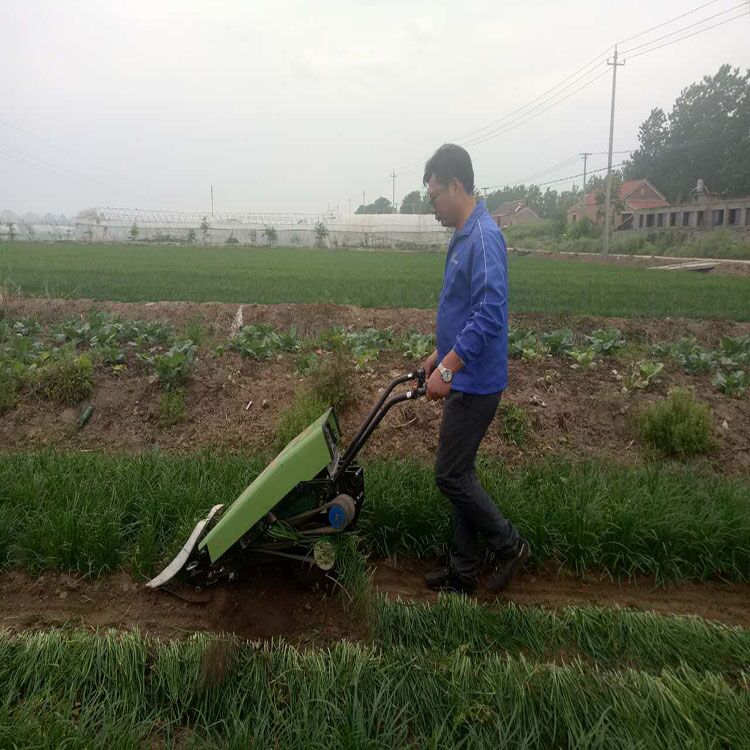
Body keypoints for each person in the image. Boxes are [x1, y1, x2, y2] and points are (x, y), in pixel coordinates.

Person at [421, 143, 530, 593]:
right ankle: (463, 572)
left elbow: (489, 313)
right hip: (462, 375)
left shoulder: (483, 237)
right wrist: (439, 354)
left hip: (475, 382)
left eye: (433, 198)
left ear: (456, 186)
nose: (432, 209)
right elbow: (464, 310)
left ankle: (509, 546)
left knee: (450, 475)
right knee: (459, 473)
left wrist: (447, 369)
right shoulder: (464, 235)